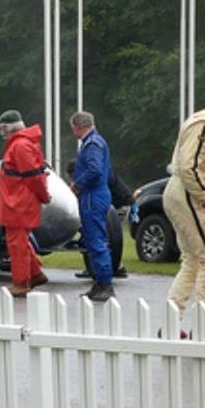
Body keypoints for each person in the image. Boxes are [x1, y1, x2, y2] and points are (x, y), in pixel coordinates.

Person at [0, 110, 51, 297]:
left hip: (18, 202)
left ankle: (21, 282)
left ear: (9, 126)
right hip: (17, 201)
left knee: (17, 243)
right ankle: (35, 274)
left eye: (3, 128)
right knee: (19, 241)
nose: (2, 132)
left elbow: (34, 177)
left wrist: (44, 195)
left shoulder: (20, 145)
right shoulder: (22, 144)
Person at [162, 107, 205, 337]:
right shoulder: (204, 123)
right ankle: (203, 326)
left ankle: (172, 322)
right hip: (188, 193)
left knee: (193, 260)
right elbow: (187, 167)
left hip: (184, 192)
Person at [69, 111, 115, 302]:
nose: (73, 132)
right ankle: (99, 281)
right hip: (98, 193)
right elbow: (108, 172)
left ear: (79, 126)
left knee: (95, 240)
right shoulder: (98, 142)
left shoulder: (92, 144)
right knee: (94, 238)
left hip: (92, 196)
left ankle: (105, 282)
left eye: (73, 128)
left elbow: (94, 170)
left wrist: (77, 185)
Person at [67, 159, 130, 279]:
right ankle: (97, 266)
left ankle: (115, 267)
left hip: (117, 206)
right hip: (119, 204)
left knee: (104, 236)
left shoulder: (94, 177)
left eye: (71, 176)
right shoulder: (99, 172)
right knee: (98, 234)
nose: (72, 180)